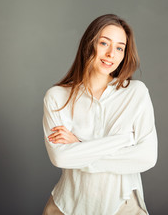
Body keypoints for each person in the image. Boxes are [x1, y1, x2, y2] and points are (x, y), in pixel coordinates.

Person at [42, 14, 158, 215]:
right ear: (89, 44)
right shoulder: (56, 97)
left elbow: (147, 157)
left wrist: (78, 145)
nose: (111, 53)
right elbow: (60, 158)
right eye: (104, 43)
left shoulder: (136, 93)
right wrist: (122, 141)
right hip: (65, 207)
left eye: (120, 48)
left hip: (123, 207)